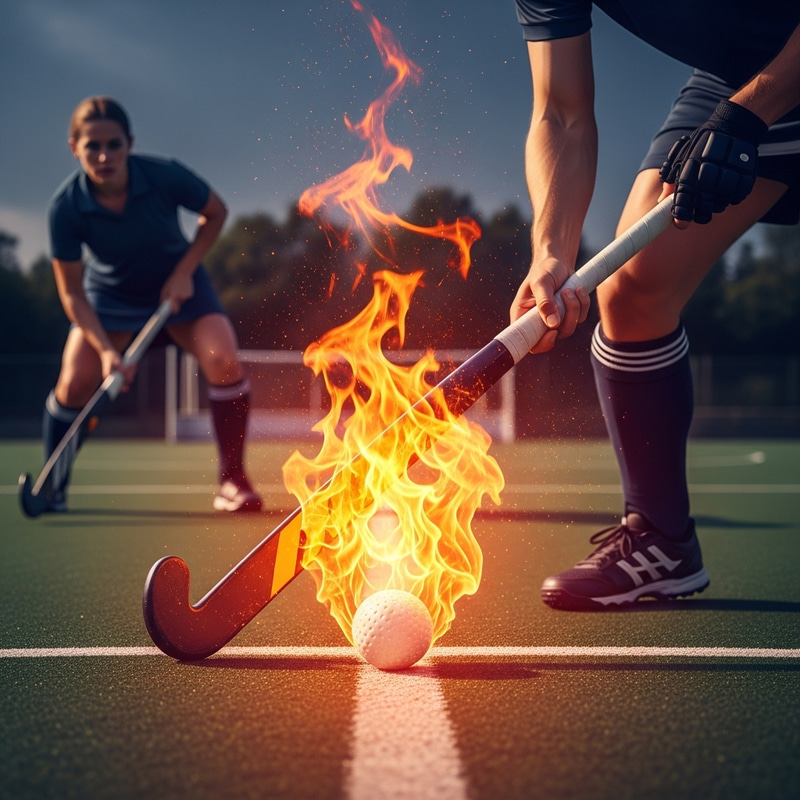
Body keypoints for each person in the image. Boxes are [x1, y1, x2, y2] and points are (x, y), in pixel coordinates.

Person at [511, 2, 800, 609]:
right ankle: (662, 538)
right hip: (737, 81)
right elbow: (561, 114)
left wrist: (748, 118)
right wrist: (551, 253)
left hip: (765, 81)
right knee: (631, 286)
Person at [43, 96, 262, 513]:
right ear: (74, 147)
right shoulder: (66, 208)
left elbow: (215, 213)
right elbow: (71, 292)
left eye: (114, 144)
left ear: (130, 143)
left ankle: (233, 481)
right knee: (74, 380)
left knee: (224, 360)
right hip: (112, 297)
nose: (104, 155)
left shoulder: (164, 176)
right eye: (92, 146)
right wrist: (108, 351)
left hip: (180, 285)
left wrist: (184, 271)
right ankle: (54, 483)